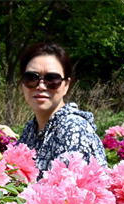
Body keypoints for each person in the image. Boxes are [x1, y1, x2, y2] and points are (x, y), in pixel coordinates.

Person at [16, 43, 107, 174]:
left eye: (52, 79)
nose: (41, 86)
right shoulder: (31, 129)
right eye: (31, 78)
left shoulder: (73, 128)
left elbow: (67, 192)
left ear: (66, 85)